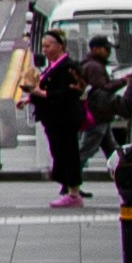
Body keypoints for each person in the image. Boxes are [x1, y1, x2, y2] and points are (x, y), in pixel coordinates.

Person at [32, 34, 98, 210]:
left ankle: (73, 194)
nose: (45, 50)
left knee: (68, 154)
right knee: (61, 154)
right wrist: (30, 98)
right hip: (54, 119)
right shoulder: (53, 66)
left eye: (48, 46)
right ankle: (70, 191)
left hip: (64, 119)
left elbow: (69, 93)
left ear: (60, 46)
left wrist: (42, 94)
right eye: (43, 46)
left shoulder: (68, 67)